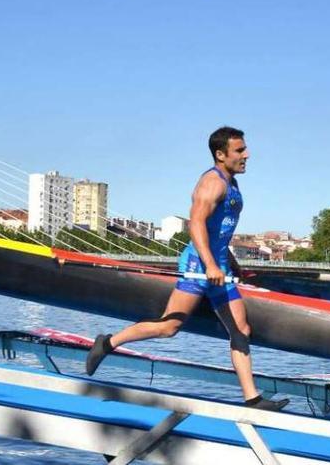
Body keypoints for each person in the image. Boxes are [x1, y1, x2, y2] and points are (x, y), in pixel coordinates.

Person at [86, 126, 288, 411]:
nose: (247, 154)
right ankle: (107, 343)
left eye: (245, 148)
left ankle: (252, 399)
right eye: (240, 150)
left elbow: (219, 229)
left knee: (241, 329)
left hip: (217, 265)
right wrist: (209, 265)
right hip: (198, 265)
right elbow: (196, 224)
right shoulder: (212, 183)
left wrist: (229, 261)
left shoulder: (232, 181)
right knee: (170, 327)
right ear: (221, 154)